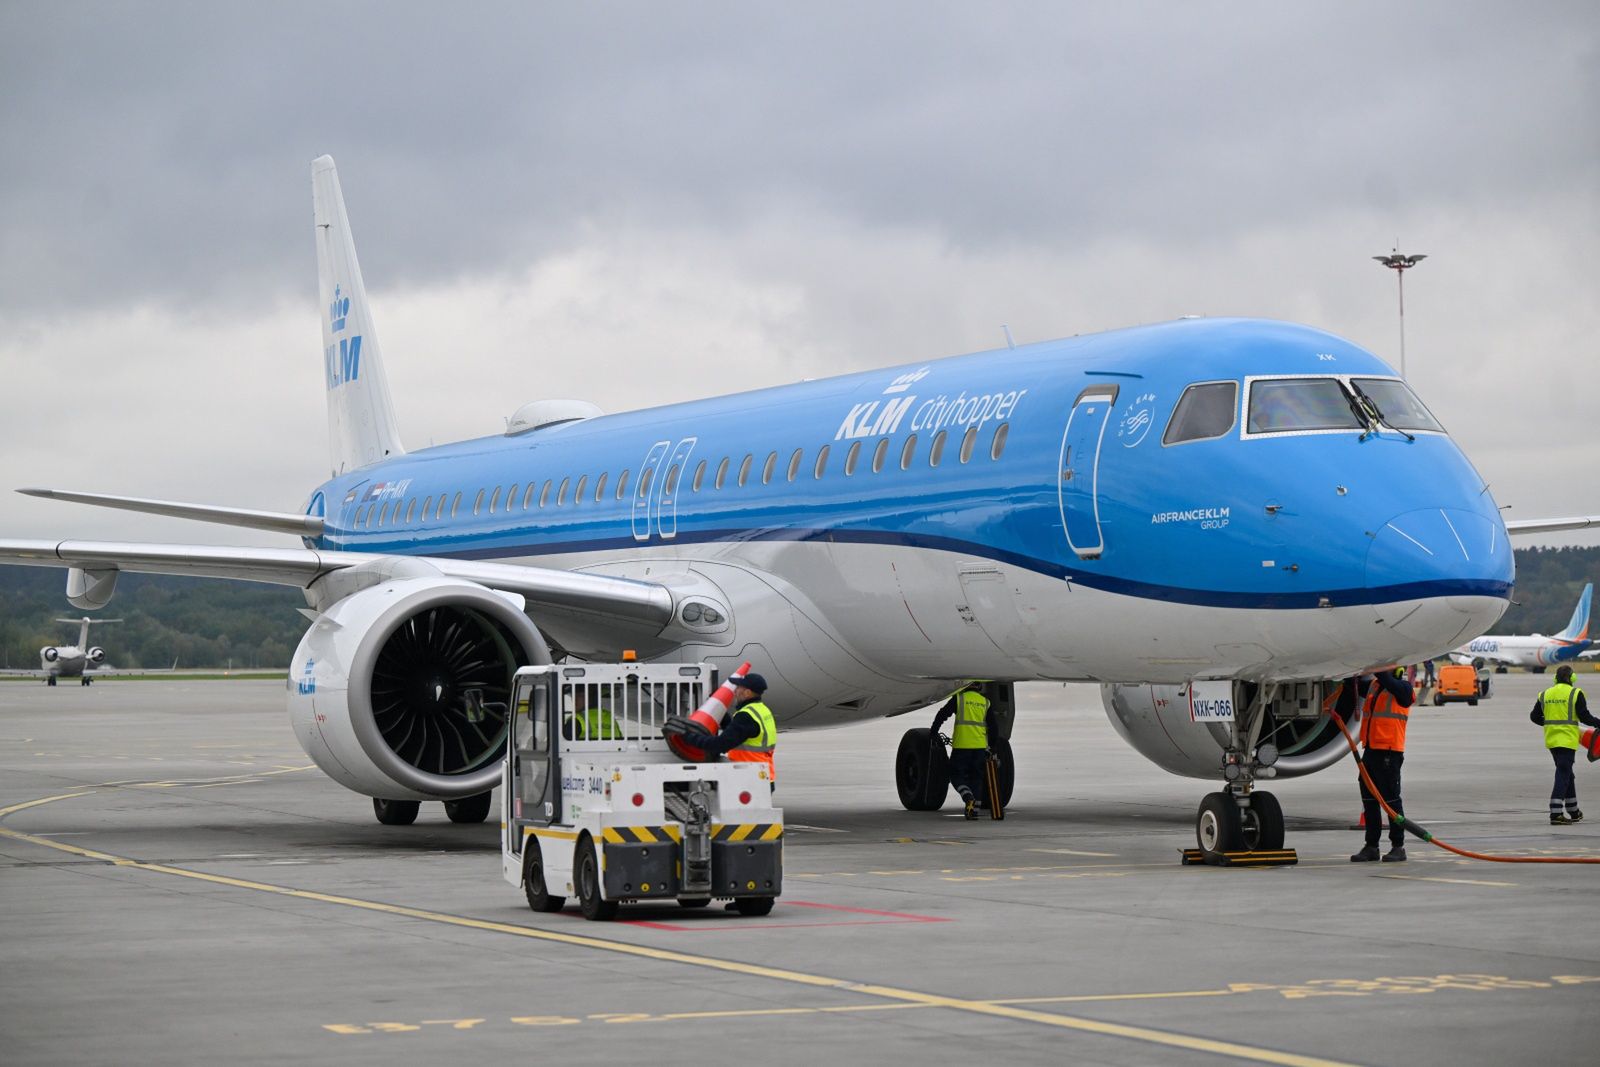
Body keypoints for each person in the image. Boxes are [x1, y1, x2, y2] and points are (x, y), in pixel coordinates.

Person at [1351, 667, 1415, 863]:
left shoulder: (1404, 689)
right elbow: (1356, 685)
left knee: (1391, 801)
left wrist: (1379, 669)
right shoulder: (1374, 686)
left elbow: (1391, 683)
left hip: (1389, 752)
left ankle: (1398, 846)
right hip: (1370, 750)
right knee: (1369, 800)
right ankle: (1371, 846)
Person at [1529, 664, 1599, 824]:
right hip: (1567, 740)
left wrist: (1549, 724)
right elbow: (1585, 717)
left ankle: (1574, 811)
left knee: (1567, 773)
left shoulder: (1545, 694)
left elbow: (1534, 717)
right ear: (1572, 678)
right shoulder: (1575, 693)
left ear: (1555, 678)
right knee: (1563, 772)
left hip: (1552, 740)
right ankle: (1556, 813)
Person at [685, 672, 777, 784]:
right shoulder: (761, 710)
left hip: (749, 777)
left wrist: (690, 738)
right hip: (762, 775)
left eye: (738, 688)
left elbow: (721, 744)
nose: (735, 691)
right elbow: (738, 734)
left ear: (747, 693)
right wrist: (720, 712)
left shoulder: (746, 716)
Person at [931, 682, 991, 819]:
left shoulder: (959, 699)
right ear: (979, 687)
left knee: (956, 775)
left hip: (962, 747)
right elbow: (993, 727)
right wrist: (992, 746)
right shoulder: (985, 702)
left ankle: (967, 797)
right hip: (979, 748)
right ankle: (974, 811)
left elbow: (942, 714)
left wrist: (934, 731)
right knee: (977, 778)